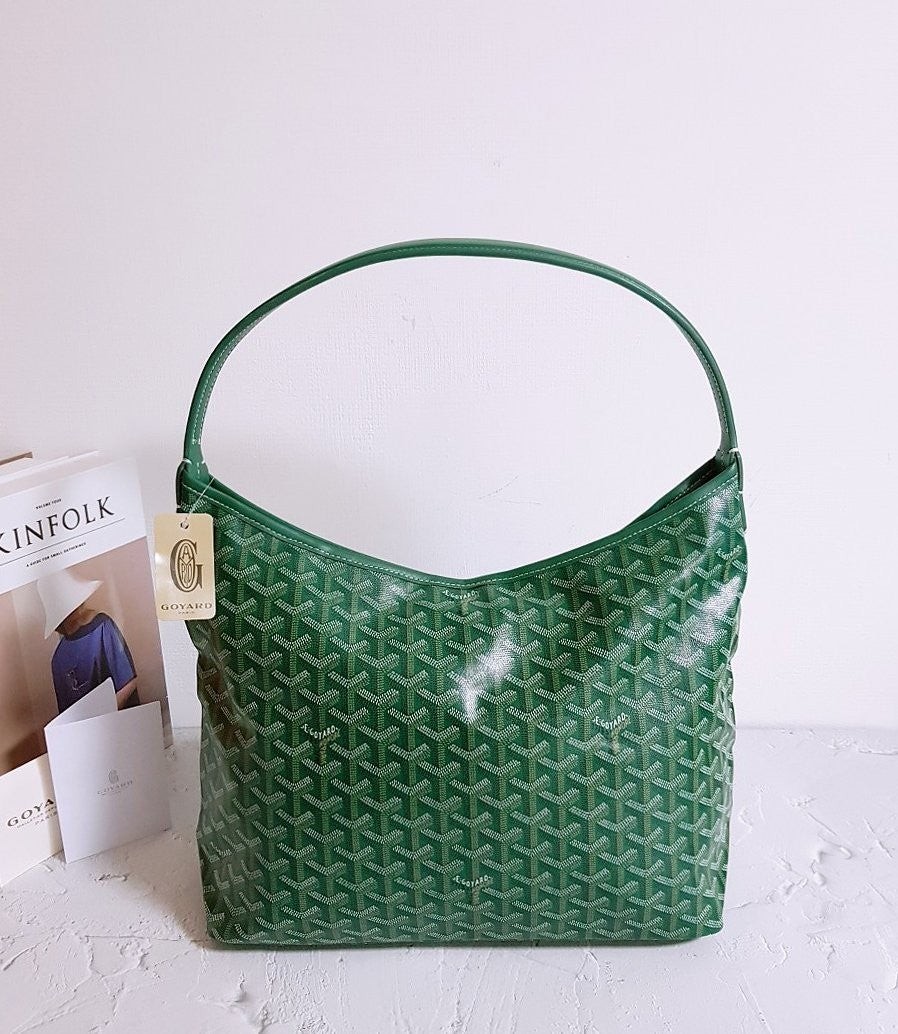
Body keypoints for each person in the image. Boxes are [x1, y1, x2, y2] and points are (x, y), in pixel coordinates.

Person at [36, 568, 140, 715]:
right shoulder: (58, 660)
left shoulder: (102, 627)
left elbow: (128, 682)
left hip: (119, 720)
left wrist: (104, 715)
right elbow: (68, 714)